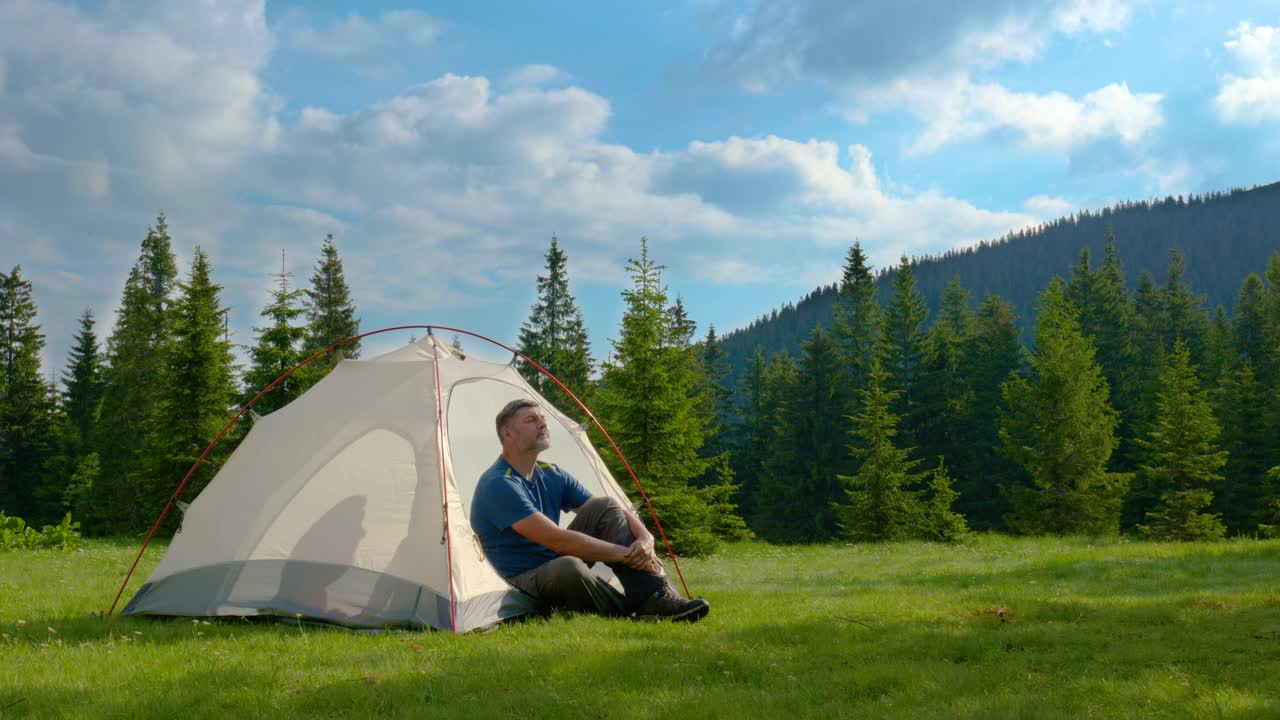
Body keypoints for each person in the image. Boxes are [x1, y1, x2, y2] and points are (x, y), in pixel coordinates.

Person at [470, 398, 710, 622]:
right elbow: (557, 540)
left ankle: (656, 595)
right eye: (531, 420)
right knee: (569, 566)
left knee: (604, 505)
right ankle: (634, 609)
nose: (542, 423)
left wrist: (646, 539)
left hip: (553, 563)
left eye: (543, 418)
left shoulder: (551, 473)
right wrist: (626, 553)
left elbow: (610, 508)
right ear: (508, 433)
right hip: (520, 579)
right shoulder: (498, 483)